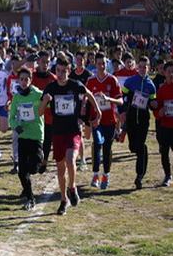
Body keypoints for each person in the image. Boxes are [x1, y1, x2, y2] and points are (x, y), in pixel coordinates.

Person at [39, 57, 101, 215]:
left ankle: (72, 188)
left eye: (63, 71)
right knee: (60, 170)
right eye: (58, 71)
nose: (60, 74)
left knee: (70, 159)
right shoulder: (50, 88)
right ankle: (63, 199)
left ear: (68, 71)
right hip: (57, 132)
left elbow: (89, 94)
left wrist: (98, 111)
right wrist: (44, 101)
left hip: (73, 130)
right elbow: (39, 112)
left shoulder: (75, 85)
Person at [8, 67, 44, 210]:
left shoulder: (38, 94)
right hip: (23, 136)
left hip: (36, 135)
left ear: (31, 80)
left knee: (34, 167)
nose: (23, 82)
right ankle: (30, 198)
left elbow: (48, 104)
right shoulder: (16, 97)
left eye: (26, 79)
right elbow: (11, 118)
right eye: (21, 79)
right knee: (22, 171)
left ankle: (28, 179)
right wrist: (16, 126)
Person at [85, 53, 123, 189]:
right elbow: (86, 99)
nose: (101, 66)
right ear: (95, 64)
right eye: (99, 63)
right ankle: (95, 174)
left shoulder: (112, 80)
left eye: (103, 63)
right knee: (97, 144)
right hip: (97, 120)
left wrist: (108, 99)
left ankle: (106, 175)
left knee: (107, 148)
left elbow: (120, 100)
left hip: (110, 121)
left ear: (106, 64)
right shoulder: (91, 81)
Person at [120, 56, 157, 190]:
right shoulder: (130, 82)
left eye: (145, 67)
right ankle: (142, 151)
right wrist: (123, 111)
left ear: (148, 68)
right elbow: (122, 98)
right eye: (140, 66)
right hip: (131, 118)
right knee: (133, 147)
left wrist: (154, 105)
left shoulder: (151, 86)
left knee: (140, 146)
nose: (142, 69)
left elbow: (153, 104)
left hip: (143, 120)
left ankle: (139, 176)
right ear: (137, 67)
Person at [31, 50, 57, 173]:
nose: (45, 64)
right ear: (38, 62)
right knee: (36, 141)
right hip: (34, 116)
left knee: (47, 140)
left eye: (47, 62)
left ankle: (44, 161)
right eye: (43, 62)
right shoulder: (32, 76)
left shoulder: (53, 78)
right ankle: (36, 160)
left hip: (49, 116)